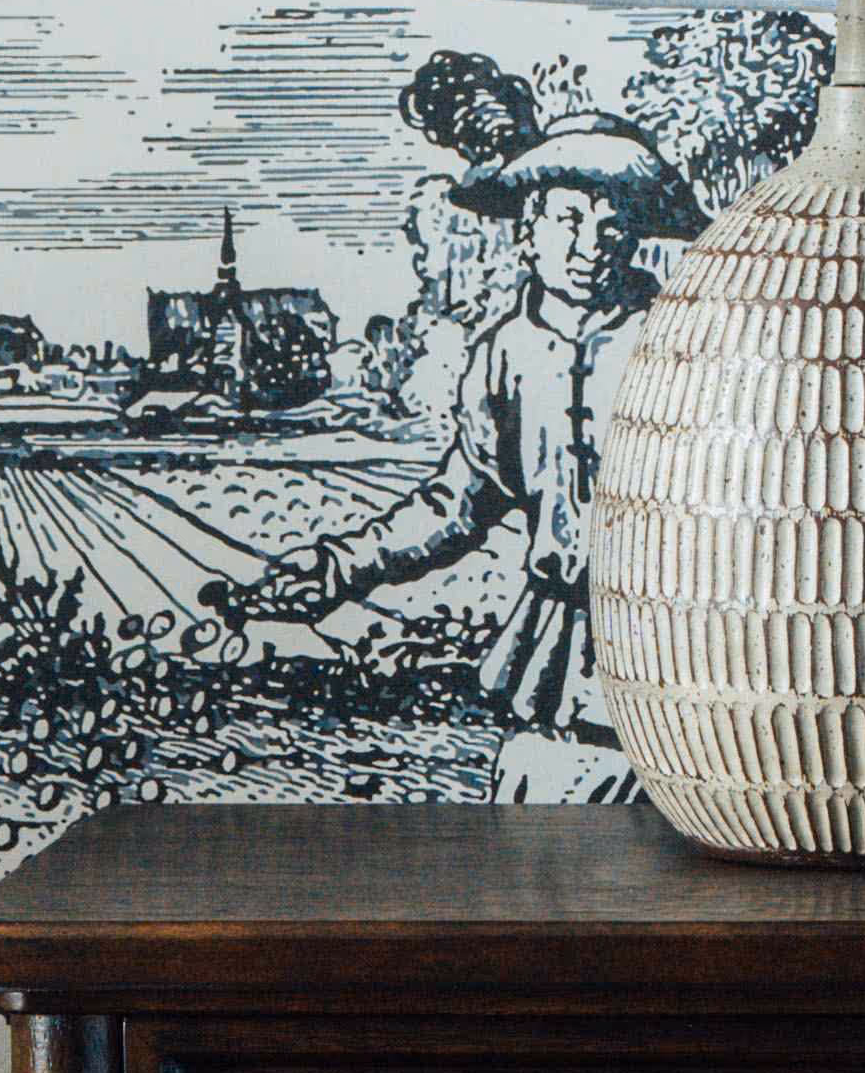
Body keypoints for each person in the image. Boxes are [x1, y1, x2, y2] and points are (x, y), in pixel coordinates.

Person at [258, 134, 689, 733]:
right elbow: (459, 501)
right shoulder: (503, 353)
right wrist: (340, 567)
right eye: (569, 220)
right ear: (529, 234)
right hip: (557, 641)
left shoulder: (683, 340)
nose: (590, 245)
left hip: (677, 641)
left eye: (611, 227)